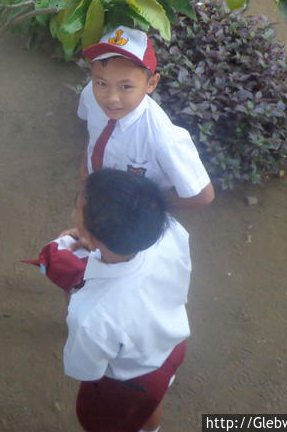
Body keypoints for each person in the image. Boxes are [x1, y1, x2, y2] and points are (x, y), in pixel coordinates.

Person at [61, 169, 191, 432]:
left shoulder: (91, 315)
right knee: (150, 405)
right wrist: (94, 242)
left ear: (94, 239)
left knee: (107, 423)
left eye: (77, 205)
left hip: (128, 381)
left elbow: (87, 370)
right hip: (172, 349)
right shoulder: (171, 231)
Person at [78, 26, 214, 209]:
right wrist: (86, 168)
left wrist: (147, 205)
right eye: (101, 83)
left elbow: (204, 195)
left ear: (151, 83)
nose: (111, 98)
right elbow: (92, 130)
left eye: (125, 86)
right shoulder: (90, 94)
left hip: (130, 209)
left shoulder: (164, 139)